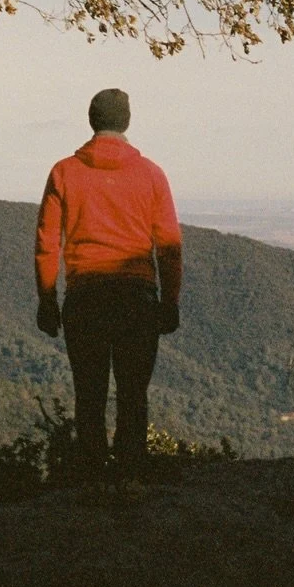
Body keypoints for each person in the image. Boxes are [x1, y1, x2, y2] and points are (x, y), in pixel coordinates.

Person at [34, 89, 183, 482]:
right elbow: (169, 246)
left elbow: (47, 242)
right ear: (127, 121)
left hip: (85, 298)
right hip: (137, 298)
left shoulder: (63, 172)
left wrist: (47, 300)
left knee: (89, 395)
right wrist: (170, 302)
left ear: (91, 120)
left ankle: (93, 482)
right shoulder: (152, 174)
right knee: (133, 396)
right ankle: (131, 481)